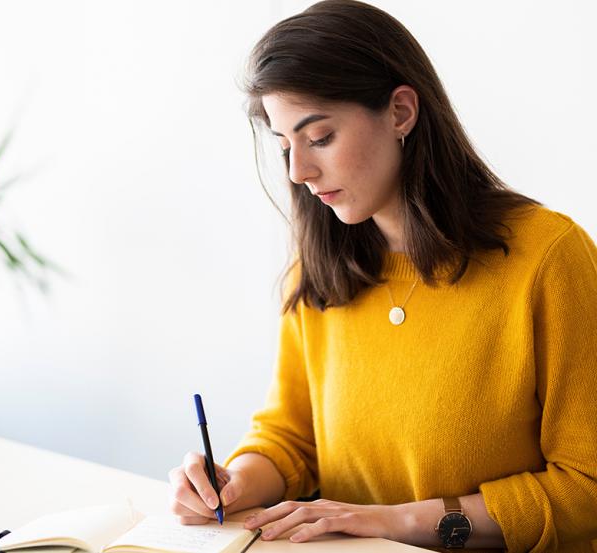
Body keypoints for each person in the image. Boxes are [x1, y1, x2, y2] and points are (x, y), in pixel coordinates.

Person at [167, 1, 597, 552]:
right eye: (284, 146)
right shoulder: (319, 268)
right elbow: (292, 436)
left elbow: (586, 486)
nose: (298, 172)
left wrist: (397, 521)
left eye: (319, 137)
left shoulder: (547, 257)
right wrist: (233, 482)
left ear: (400, 112)